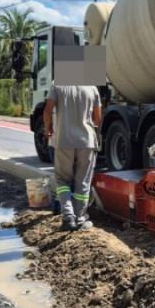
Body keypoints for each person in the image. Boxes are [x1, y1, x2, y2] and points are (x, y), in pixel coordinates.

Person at [44, 84, 102, 231]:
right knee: (83, 181)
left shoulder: (57, 85)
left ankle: (68, 216)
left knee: (62, 180)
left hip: (63, 140)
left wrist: (48, 128)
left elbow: (47, 110)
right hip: (86, 142)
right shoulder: (92, 88)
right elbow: (97, 119)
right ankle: (80, 219)